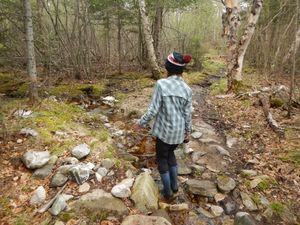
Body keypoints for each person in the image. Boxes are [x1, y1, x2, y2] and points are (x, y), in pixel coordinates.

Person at [133, 52, 193, 200]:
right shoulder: (187, 89)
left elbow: (153, 110)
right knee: (171, 156)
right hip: (178, 134)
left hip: (164, 133)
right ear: (181, 70)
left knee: (161, 160)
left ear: (168, 68)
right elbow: (188, 114)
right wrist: (188, 132)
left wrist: (141, 123)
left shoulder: (161, 84)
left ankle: (167, 192)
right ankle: (175, 186)